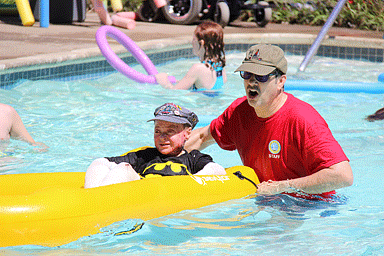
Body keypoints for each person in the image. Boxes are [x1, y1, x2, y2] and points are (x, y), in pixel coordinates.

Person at [185, 44, 353, 198]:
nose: (252, 81)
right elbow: (201, 137)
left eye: (261, 76)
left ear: (281, 81)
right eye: (247, 74)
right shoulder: (239, 111)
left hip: (312, 208)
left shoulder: (303, 119)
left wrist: (282, 186)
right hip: (269, 201)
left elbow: (342, 175)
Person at [84, 103, 226, 188]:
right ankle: (90, 199)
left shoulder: (193, 159)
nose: (162, 137)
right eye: (158, 131)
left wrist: (189, 185)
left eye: (170, 131)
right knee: (112, 166)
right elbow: (103, 162)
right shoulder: (145, 156)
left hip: (170, 197)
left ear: (187, 133)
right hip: (139, 194)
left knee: (122, 169)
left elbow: (216, 170)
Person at [155, 21, 227, 91]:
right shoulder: (220, 68)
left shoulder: (197, 68)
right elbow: (207, 91)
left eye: (194, 39)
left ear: (201, 43)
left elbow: (175, 93)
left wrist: (164, 82)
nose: (192, 43)